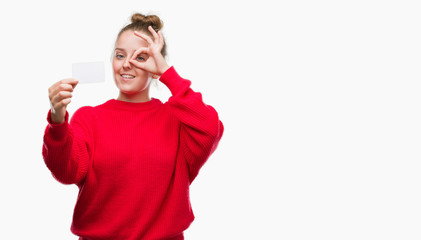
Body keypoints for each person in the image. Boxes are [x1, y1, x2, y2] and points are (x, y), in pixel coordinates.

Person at [43, 12, 224, 240]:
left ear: (156, 65)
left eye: (141, 57)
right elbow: (66, 172)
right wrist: (57, 120)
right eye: (120, 55)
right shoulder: (88, 118)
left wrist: (168, 74)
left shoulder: (177, 120)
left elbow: (210, 129)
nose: (126, 64)